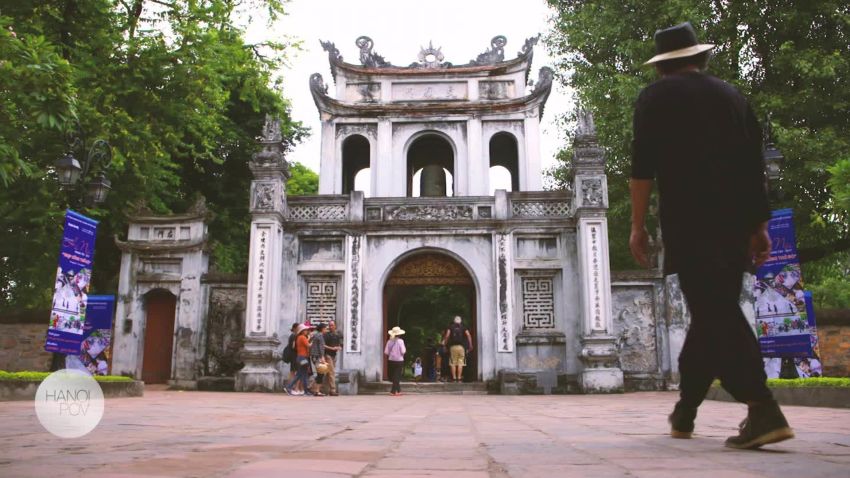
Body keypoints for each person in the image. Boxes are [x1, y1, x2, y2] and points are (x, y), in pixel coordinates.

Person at [629, 22, 793, 449]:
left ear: (663, 66)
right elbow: (752, 165)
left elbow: (642, 166)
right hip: (735, 223)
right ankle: (686, 410)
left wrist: (637, 225)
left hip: (689, 219)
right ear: (700, 59)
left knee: (715, 310)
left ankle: (762, 405)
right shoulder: (733, 97)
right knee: (710, 311)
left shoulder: (656, 97)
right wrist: (759, 226)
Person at [285, 324, 317, 396]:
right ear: (302, 331)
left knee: (302, 374)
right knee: (301, 374)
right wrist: (314, 340)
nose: (307, 331)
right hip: (303, 358)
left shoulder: (299, 337)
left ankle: (304, 391)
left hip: (301, 357)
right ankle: (290, 387)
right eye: (305, 330)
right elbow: (309, 345)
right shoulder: (302, 337)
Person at [442, 316, 473, 383]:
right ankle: (459, 378)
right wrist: (470, 345)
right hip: (461, 347)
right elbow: (468, 335)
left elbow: (447, 335)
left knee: (453, 363)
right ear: (460, 321)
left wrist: (444, 344)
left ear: (454, 321)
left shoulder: (450, 327)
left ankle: (454, 378)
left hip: (453, 347)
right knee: (460, 362)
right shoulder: (464, 327)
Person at [384, 326, 406, 396]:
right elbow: (403, 351)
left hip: (391, 360)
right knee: (397, 376)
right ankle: (393, 391)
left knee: (394, 375)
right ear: (399, 334)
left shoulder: (389, 341)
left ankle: (398, 390)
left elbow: (386, 352)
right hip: (399, 360)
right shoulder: (401, 341)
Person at [322, 321, 342, 396]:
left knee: (328, 373)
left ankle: (324, 389)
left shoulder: (337, 335)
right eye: (330, 325)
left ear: (335, 326)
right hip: (327, 355)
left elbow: (340, 345)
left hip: (334, 355)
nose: (331, 327)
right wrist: (331, 348)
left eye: (332, 325)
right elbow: (323, 345)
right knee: (332, 372)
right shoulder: (326, 335)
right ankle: (333, 390)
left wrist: (339, 347)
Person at [309, 323, 328, 396]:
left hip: (314, 356)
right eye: (326, 328)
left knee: (320, 373)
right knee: (321, 373)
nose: (326, 330)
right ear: (322, 329)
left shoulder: (315, 335)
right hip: (317, 357)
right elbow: (321, 347)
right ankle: (316, 390)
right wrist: (322, 357)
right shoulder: (320, 336)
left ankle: (314, 388)